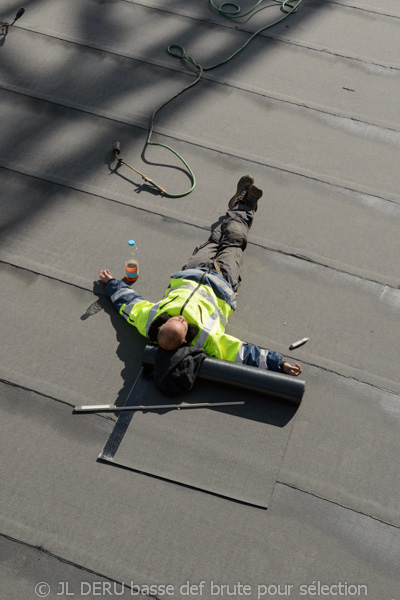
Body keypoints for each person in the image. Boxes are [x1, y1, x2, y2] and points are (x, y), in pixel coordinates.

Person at [100, 176, 302, 377]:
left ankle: (236, 206)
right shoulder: (206, 339)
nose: (181, 318)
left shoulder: (148, 320)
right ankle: (245, 205)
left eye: (174, 320)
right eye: (182, 323)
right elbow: (242, 353)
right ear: (185, 340)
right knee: (234, 239)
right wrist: (279, 364)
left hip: (192, 271)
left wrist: (112, 284)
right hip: (223, 282)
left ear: (161, 325)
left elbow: (129, 304)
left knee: (216, 237)